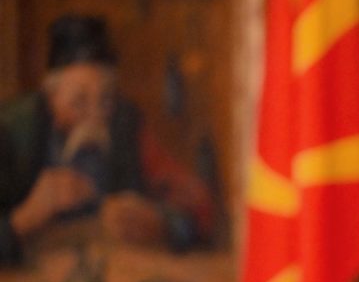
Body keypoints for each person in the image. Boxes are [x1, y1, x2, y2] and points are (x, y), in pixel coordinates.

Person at [0, 14, 213, 266]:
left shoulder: (126, 125)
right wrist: (25, 217)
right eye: (79, 102)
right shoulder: (12, 132)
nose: (95, 117)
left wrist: (161, 225)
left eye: (105, 100)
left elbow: (200, 210)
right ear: (51, 100)